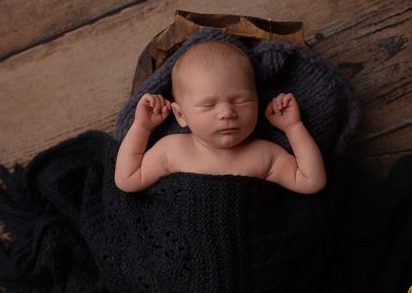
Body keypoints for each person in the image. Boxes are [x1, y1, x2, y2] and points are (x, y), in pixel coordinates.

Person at [114, 41, 327, 194]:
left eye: (241, 101)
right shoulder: (171, 150)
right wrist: (141, 126)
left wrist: (293, 127)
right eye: (209, 105)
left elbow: (312, 181)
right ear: (180, 115)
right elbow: (127, 179)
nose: (227, 113)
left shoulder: (265, 155)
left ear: (257, 102)